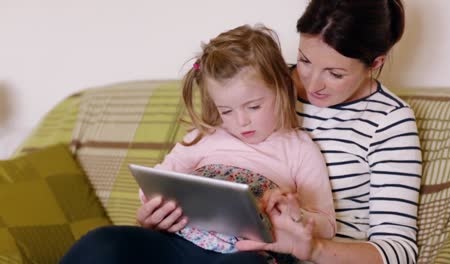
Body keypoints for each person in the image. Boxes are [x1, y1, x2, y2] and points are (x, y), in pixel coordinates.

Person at [60, 24, 335, 264]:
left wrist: (296, 215)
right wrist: (152, 207)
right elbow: (157, 181)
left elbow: (327, 225)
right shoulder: (205, 137)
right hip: (177, 244)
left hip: (244, 253)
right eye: (226, 111)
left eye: (253, 106)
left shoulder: (299, 148)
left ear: (282, 87)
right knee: (104, 241)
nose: (241, 122)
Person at [235, 0, 422, 264]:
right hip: (229, 243)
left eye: (335, 74)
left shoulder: (390, 121)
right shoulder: (266, 87)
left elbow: (399, 250)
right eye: (305, 60)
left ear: (375, 63)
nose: (313, 84)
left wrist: (312, 249)